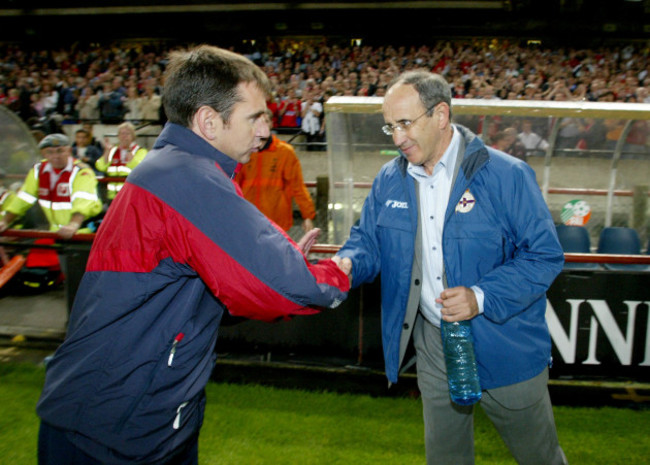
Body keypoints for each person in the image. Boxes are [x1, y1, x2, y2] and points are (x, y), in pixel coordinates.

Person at [36, 44, 349, 465]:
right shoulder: (186, 177)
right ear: (208, 121)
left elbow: (218, 289)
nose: (264, 132)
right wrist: (342, 270)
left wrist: (269, 265)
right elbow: (286, 287)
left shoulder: (175, 168)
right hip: (112, 432)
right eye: (255, 117)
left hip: (139, 421)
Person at [333, 71, 567, 465]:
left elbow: (544, 255)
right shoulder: (390, 178)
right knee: (445, 458)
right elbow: (368, 242)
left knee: (539, 457)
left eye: (405, 123)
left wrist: (481, 296)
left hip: (504, 343)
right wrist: (345, 263)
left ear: (441, 114)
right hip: (434, 345)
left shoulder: (507, 175)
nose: (397, 138)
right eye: (389, 126)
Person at [0, 133, 102, 239]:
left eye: (60, 151)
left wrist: (73, 224)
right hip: (56, 232)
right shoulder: (38, 170)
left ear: (69, 151)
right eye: (50, 152)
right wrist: (5, 221)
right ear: (43, 154)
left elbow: (83, 201)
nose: (56, 156)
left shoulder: (81, 172)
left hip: (82, 232)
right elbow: (24, 198)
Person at [235, 109, 315, 233]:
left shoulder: (285, 153)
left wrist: (308, 216)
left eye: (265, 121)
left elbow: (297, 186)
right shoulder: (243, 151)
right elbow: (233, 185)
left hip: (277, 223)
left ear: (271, 124)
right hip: (248, 220)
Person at [95, 121, 148, 202]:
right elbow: (101, 166)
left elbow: (138, 168)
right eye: (122, 133)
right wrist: (106, 152)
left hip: (130, 196)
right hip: (111, 196)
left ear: (133, 136)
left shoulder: (140, 151)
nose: (124, 136)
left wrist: (128, 152)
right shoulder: (112, 150)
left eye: (127, 134)